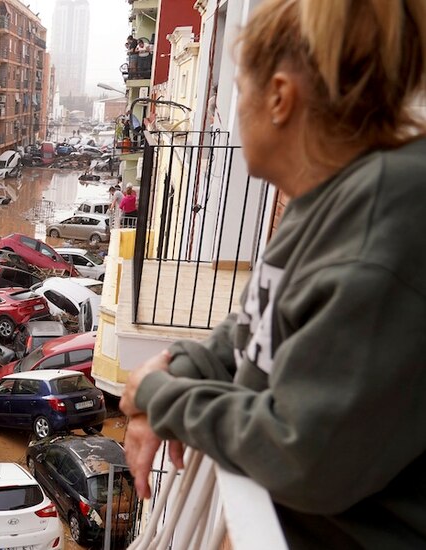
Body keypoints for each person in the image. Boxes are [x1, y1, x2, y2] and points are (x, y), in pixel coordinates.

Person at [119, 1, 426, 548]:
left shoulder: (385, 220)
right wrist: (177, 375)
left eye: (239, 88)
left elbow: (304, 453)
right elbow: (250, 331)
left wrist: (161, 394)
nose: (233, 111)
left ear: (280, 97)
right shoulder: (325, 199)